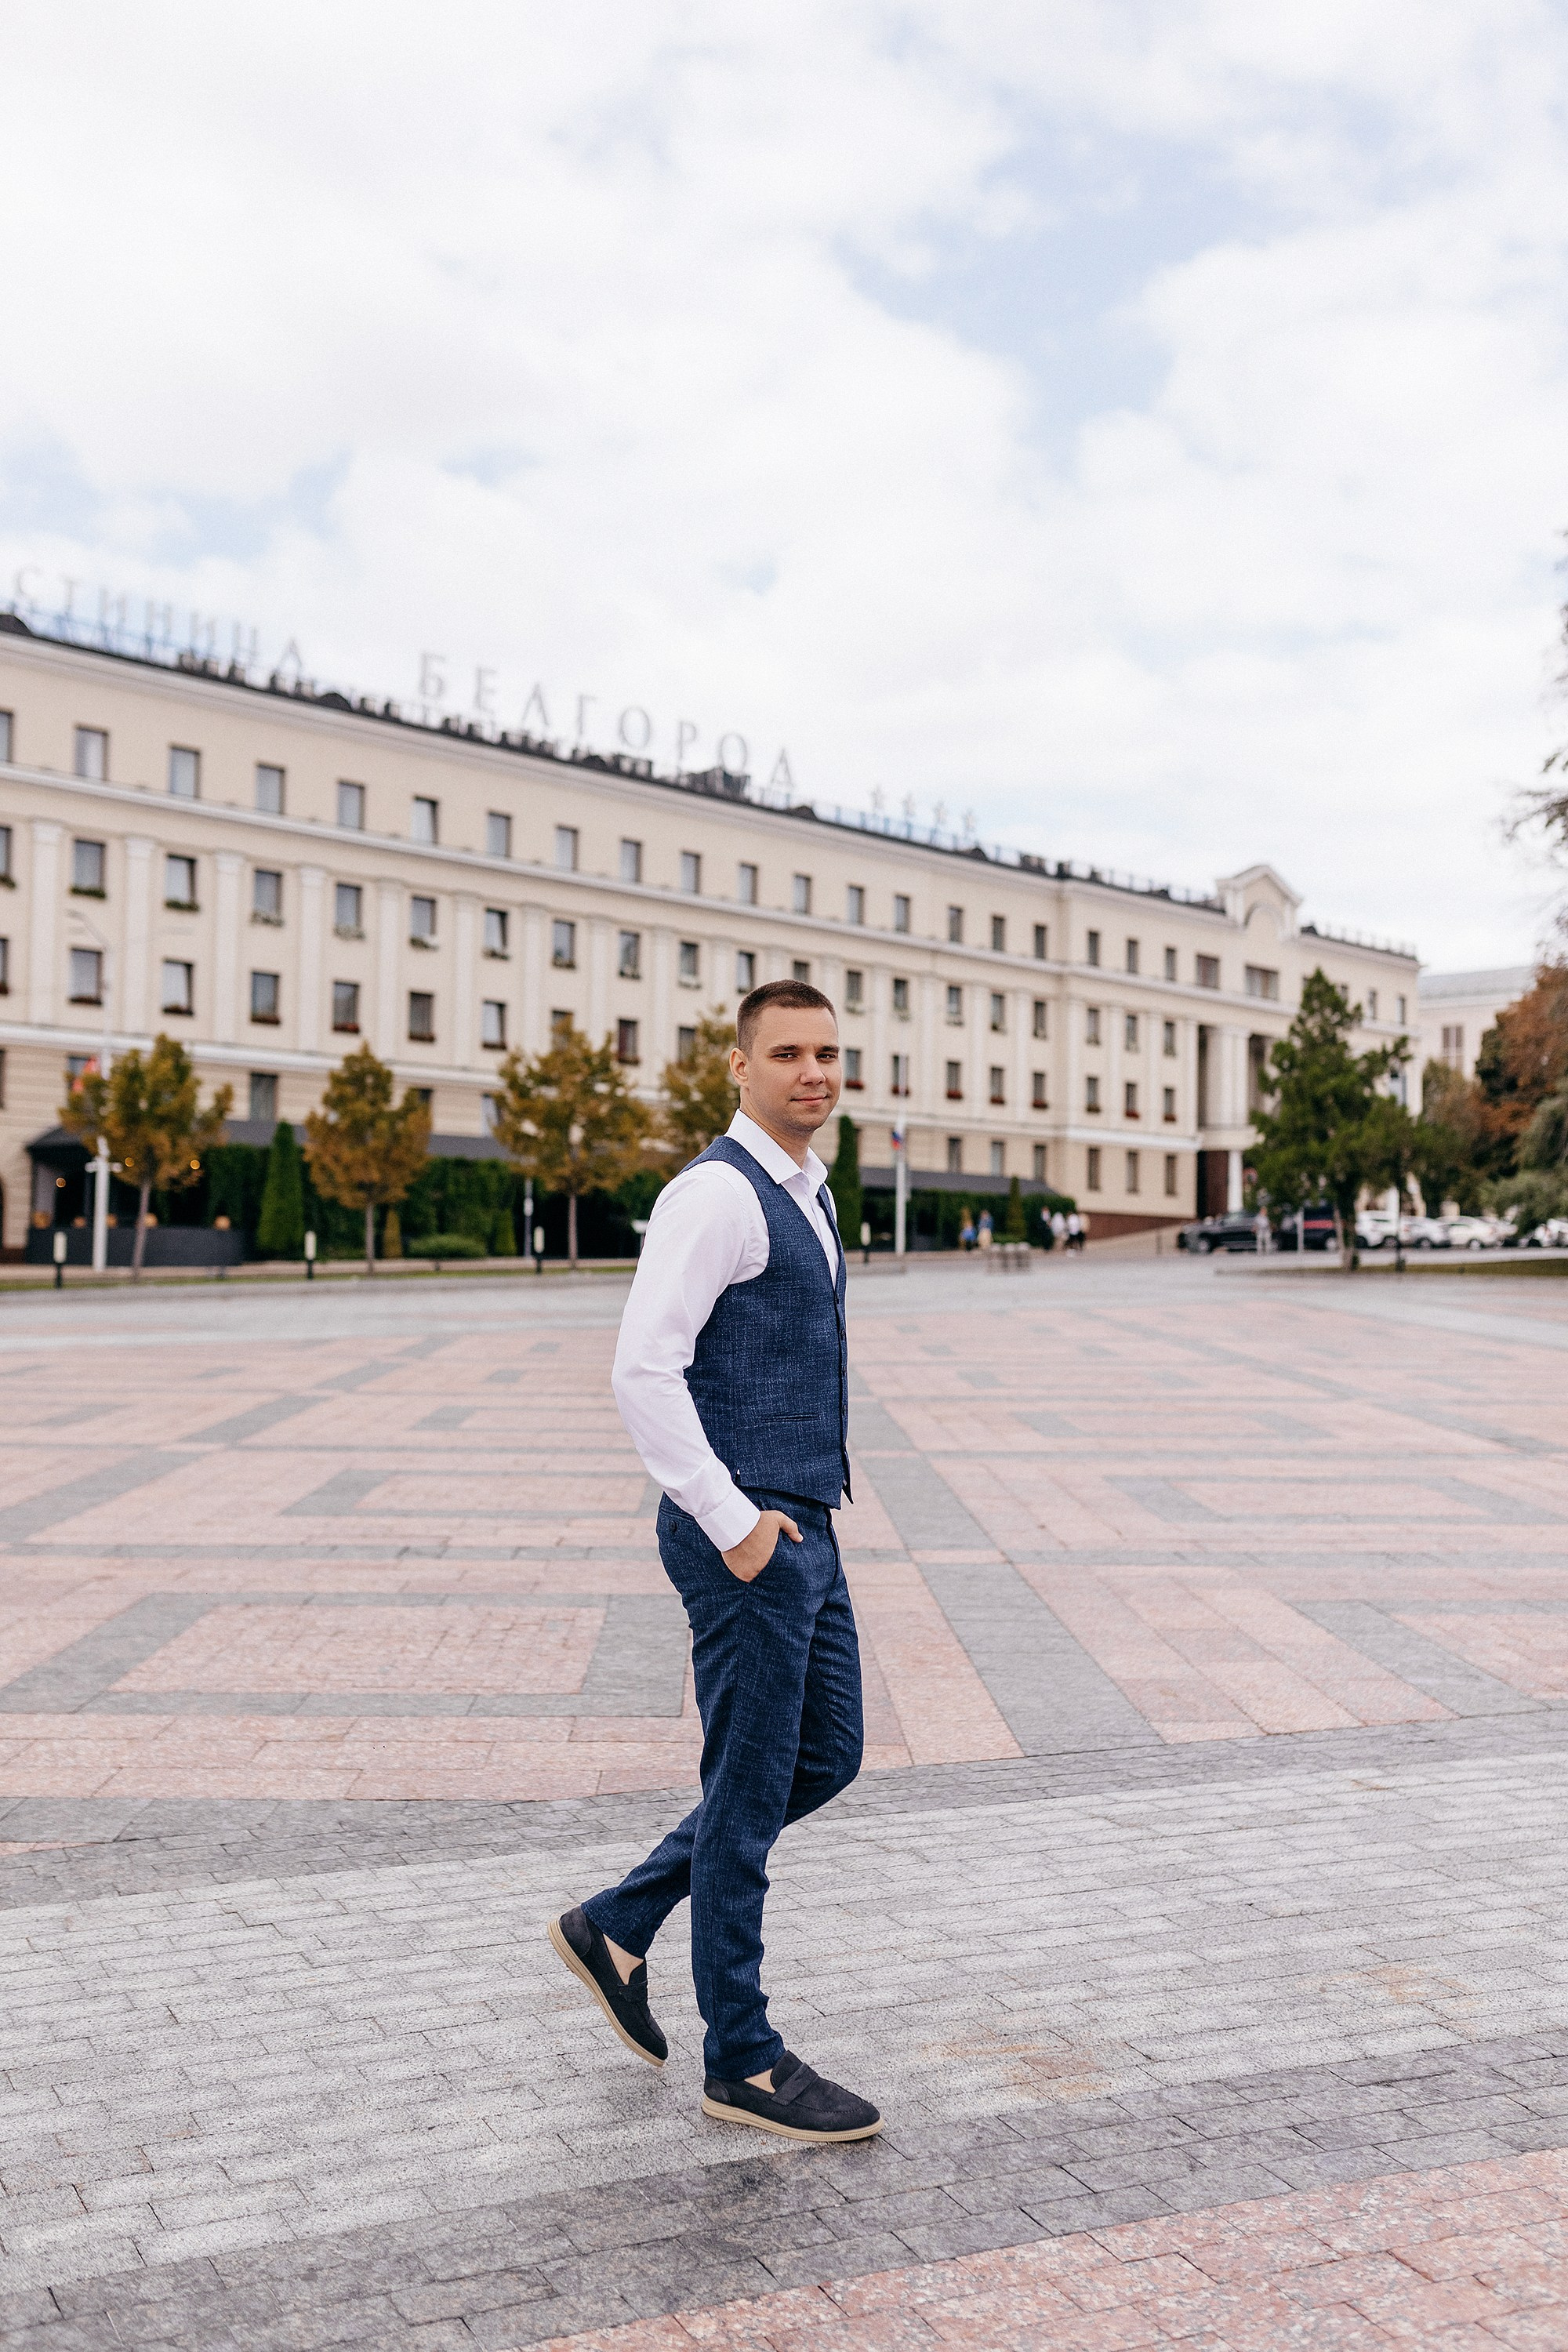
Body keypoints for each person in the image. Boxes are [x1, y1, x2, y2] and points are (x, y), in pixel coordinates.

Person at [550, 979, 881, 2146]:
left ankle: (619, 1919)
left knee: (825, 1753)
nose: (814, 1072)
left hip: (806, 1526)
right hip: (747, 1534)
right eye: (787, 1053)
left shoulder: (811, 1191)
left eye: (830, 1053)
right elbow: (642, 1368)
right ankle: (740, 2056)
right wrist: (732, 1520)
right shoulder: (717, 1196)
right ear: (737, 1069)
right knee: (745, 1799)